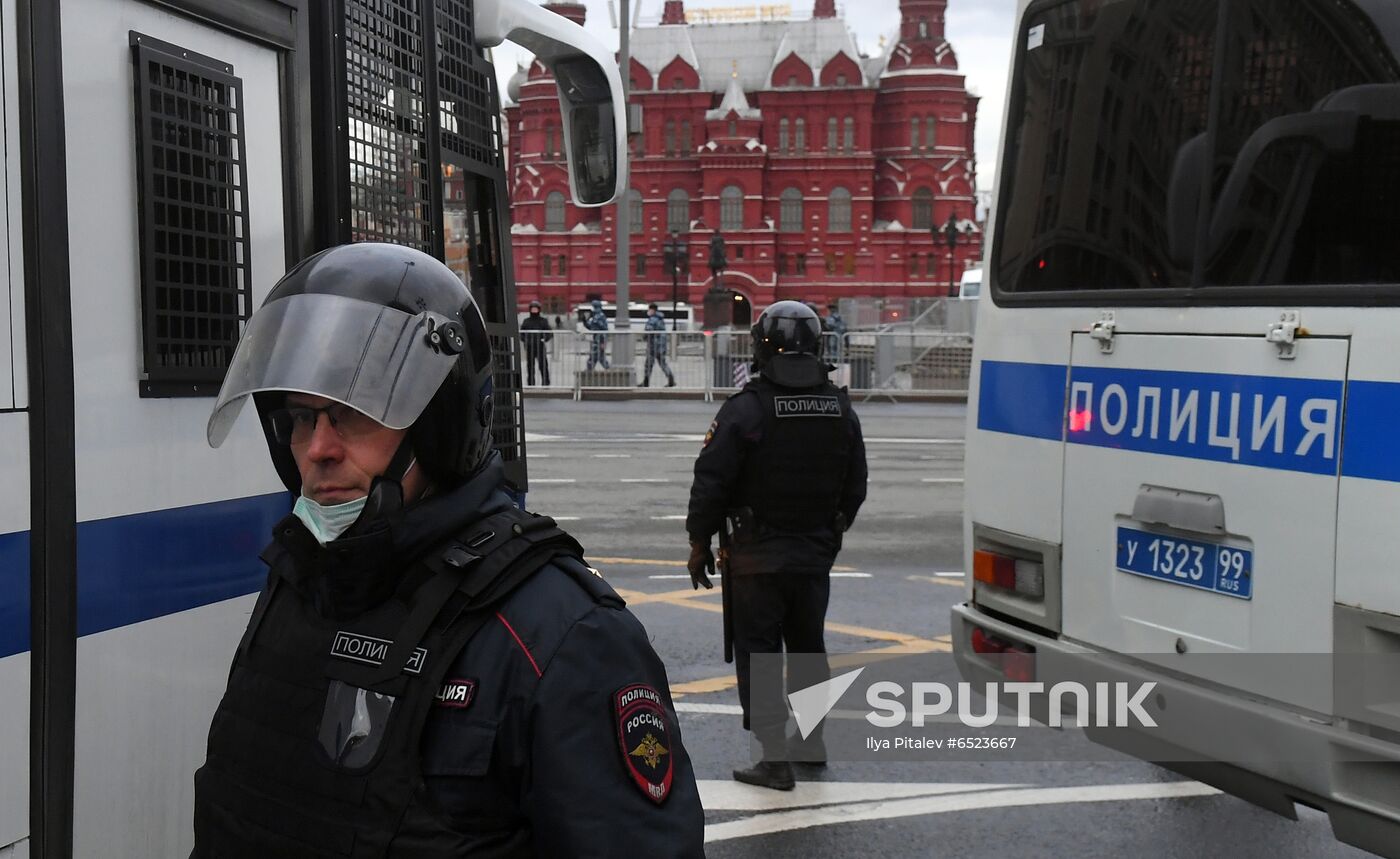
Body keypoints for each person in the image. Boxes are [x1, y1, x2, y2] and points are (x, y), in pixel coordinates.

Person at [195, 243, 704, 855]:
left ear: (438, 427)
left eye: (352, 415)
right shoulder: (301, 580)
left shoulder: (564, 633)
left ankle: (793, 741)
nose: (317, 449)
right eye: (302, 419)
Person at [684, 300, 868, 791]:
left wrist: (698, 543)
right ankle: (811, 743)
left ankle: (773, 759)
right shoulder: (839, 408)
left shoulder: (747, 408)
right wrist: (830, 532)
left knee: (760, 653)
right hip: (813, 557)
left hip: (756, 556)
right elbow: (856, 485)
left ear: (762, 347)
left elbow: (711, 482)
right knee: (810, 648)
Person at [642, 302, 676, 388]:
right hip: (661, 345)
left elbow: (648, 330)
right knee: (663, 363)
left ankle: (646, 382)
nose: (648, 311)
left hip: (653, 345)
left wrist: (645, 336)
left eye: (649, 309)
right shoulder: (660, 318)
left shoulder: (653, 319)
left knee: (648, 364)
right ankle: (671, 379)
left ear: (652, 310)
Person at [520, 299, 553, 386]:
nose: (534, 310)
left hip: (540, 346)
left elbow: (549, 333)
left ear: (539, 309)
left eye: (536, 309)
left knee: (543, 366)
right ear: (530, 309)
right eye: (533, 309)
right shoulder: (526, 321)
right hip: (530, 347)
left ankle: (545, 383)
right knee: (530, 367)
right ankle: (531, 384)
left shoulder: (543, 321)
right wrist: (525, 340)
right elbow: (521, 333)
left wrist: (544, 339)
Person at [585, 298, 610, 371]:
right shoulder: (595, 316)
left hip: (599, 339)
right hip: (596, 339)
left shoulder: (600, 316)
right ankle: (590, 369)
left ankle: (607, 369)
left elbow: (604, 329)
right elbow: (591, 327)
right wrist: (585, 322)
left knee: (597, 355)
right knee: (596, 356)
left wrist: (603, 341)